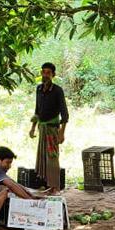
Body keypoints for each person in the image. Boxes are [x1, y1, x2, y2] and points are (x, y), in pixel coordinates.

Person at [28, 62, 68, 194]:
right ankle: (46, 184)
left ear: (53, 75)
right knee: (42, 158)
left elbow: (64, 113)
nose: (45, 75)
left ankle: (55, 187)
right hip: (42, 128)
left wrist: (62, 132)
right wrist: (33, 127)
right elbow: (37, 110)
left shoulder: (57, 90)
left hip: (52, 130)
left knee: (52, 157)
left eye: (48, 73)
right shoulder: (39, 89)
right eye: (43, 72)